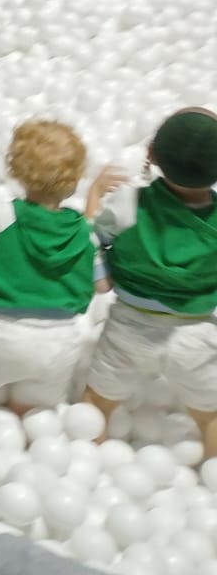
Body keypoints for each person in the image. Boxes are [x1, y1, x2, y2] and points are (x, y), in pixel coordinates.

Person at [0, 120, 124, 416]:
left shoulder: (3, 214)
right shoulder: (85, 234)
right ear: (74, 180)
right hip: (58, 347)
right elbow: (103, 286)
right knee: (30, 414)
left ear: (16, 171)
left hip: (1, 337)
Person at [83, 107, 217, 460]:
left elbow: (92, 235)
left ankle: (84, 464)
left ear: (152, 155)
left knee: (95, 404)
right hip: (196, 334)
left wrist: (94, 193)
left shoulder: (127, 202)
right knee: (211, 415)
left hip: (128, 327)